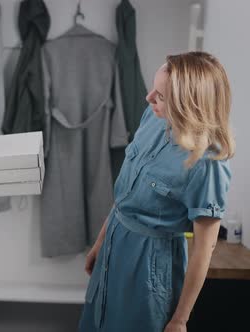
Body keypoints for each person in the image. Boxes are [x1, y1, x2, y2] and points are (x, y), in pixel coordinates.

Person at [79, 51, 235, 332]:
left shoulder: (208, 163)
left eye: (161, 96)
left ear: (189, 104)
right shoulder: (152, 118)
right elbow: (126, 195)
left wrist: (180, 319)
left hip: (150, 265)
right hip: (115, 242)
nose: (149, 98)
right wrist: (101, 242)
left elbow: (204, 248)